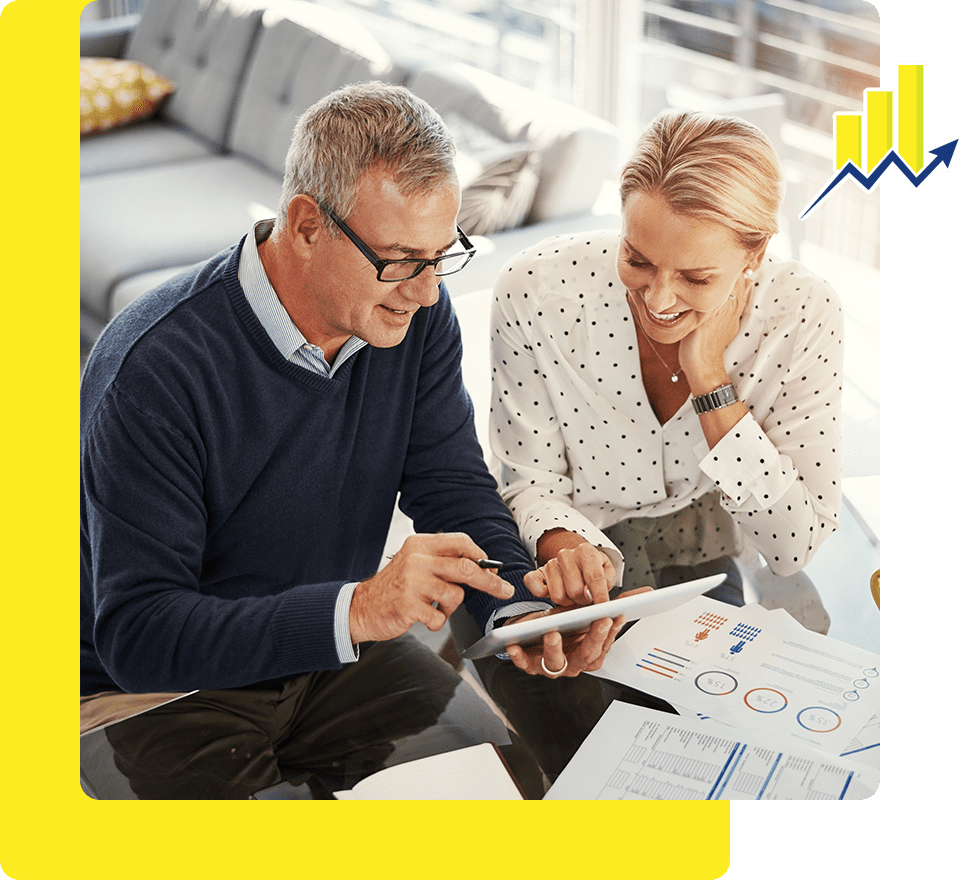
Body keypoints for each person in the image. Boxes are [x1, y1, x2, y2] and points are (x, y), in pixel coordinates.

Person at [79, 82, 623, 798]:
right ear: (306, 225)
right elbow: (141, 636)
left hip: (331, 651)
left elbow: (452, 485)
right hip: (161, 689)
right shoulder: (156, 368)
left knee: (501, 789)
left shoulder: (411, 316)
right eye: (400, 260)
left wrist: (518, 609)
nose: (426, 292)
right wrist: (359, 609)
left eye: (441, 255)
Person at [478, 108, 844, 775]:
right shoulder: (536, 290)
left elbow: (792, 547)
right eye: (637, 259)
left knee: (704, 758)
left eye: (697, 278)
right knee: (577, 760)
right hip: (564, 545)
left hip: (694, 546)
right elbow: (526, 479)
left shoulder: (803, 314)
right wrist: (566, 548)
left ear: (755, 254)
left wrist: (710, 378)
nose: (659, 298)